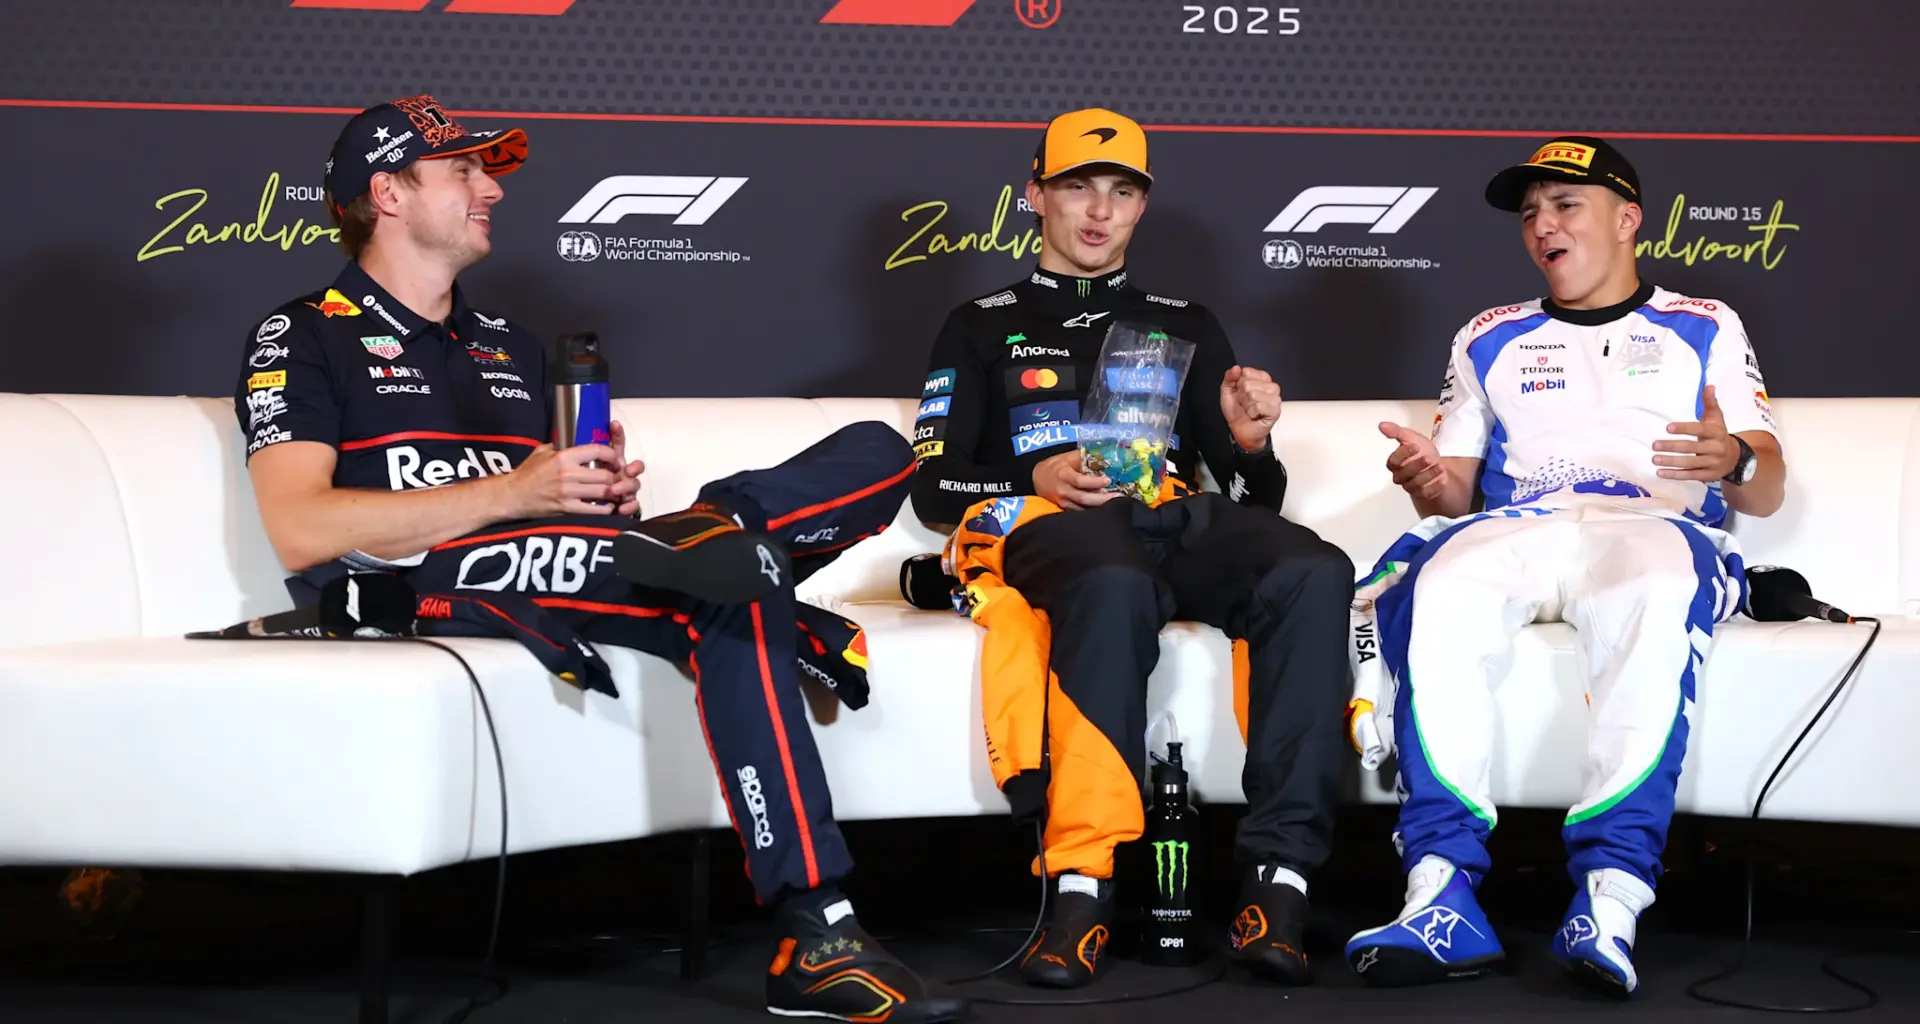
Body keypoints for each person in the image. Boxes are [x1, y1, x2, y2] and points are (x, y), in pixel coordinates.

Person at [236, 95, 967, 1024]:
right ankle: (817, 930)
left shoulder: (510, 346)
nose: (489, 188)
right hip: (432, 583)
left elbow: (549, 498)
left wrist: (597, 498)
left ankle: (708, 528)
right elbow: (299, 529)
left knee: (881, 448)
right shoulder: (304, 333)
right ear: (387, 193)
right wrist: (518, 493)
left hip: (568, 557)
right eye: (462, 170)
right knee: (735, 591)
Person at [910, 108, 1355, 989]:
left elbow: (1251, 499)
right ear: (1036, 195)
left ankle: (1282, 882)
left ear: (1142, 208)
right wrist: (1030, 482)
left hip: (1174, 520)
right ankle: (1081, 887)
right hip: (1055, 533)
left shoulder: (1185, 322)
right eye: (1077, 187)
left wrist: (1251, 443)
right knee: (1111, 580)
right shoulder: (978, 321)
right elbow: (931, 489)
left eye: (1121, 192)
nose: (1098, 211)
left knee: (1313, 567)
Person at [1343, 136, 1785, 997]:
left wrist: (1732, 455)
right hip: (1522, 523)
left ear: (1627, 221)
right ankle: (1439, 893)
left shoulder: (1705, 322)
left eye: (1565, 205)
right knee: (1439, 586)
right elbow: (1456, 497)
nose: (1543, 224)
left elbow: (1765, 489)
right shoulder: (1488, 336)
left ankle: (1611, 898)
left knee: (1657, 589)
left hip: (1652, 522)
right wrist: (1429, 479)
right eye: (1531, 212)